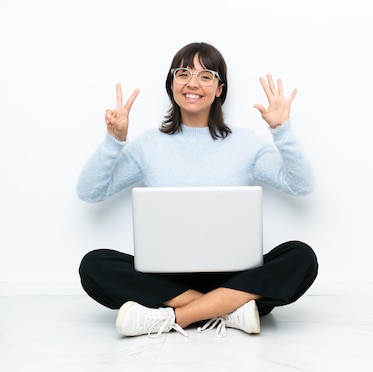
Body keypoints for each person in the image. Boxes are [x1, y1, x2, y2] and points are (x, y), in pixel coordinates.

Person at [77, 42, 318, 338]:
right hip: (168, 278)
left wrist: (282, 130)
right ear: (172, 83)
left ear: (219, 89)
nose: (193, 83)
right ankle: (230, 309)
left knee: (301, 257)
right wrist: (114, 141)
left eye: (206, 76)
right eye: (184, 73)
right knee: (94, 265)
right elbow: (90, 192)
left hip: (235, 275)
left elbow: (301, 185)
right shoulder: (149, 145)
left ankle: (174, 317)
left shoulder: (245, 144)